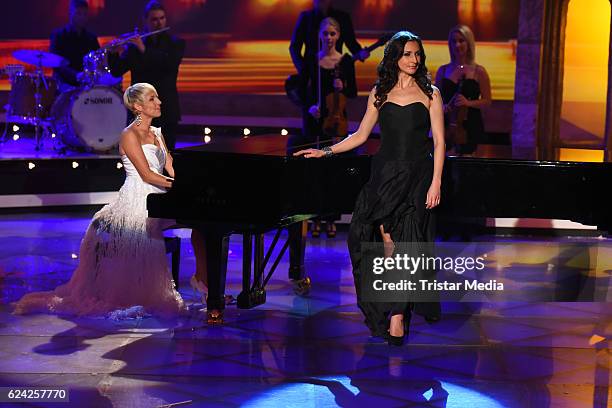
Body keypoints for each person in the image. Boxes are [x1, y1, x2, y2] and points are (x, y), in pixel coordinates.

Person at [295, 32, 445, 346]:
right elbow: (361, 135)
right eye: (407, 54)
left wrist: (436, 182)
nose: (414, 60)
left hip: (418, 175)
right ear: (394, 57)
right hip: (385, 177)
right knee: (383, 246)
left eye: (417, 54)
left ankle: (397, 316)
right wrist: (327, 152)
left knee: (408, 246)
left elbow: (440, 142)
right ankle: (392, 310)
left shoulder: (432, 93)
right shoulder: (380, 92)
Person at [14, 83, 184, 318]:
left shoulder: (157, 133)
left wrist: (186, 183)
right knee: (146, 225)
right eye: (153, 99)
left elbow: (170, 166)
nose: (159, 102)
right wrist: (178, 186)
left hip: (161, 192)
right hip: (138, 195)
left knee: (194, 219)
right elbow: (146, 175)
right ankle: (135, 290)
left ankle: (202, 284)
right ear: (137, 106)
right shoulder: (128, 135)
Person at [300, 17, 357, 238]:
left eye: (332, 34)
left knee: (333, 169)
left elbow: (352, 93)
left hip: (336, 120)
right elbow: (303, 91)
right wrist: (310, 106)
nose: (329, 38)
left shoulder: (346, 61)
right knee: (314, 170)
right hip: (316, 120)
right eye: (325, 34)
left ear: (339, 35)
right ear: (320, 36)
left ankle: (331, 218)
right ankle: (315, 217)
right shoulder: (312, 61)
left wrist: (344, 86)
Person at [109, 0, 185, 151]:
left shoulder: (176, 43)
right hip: (140, 113)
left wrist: (143, 48)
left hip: (165, 110)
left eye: (162, 18)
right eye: (154, 19)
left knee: (165, 159)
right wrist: (114, 54)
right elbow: (117, 70)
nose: (159, 23)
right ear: (145, 21)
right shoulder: (135, 46)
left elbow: (167, 64)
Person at [435, 25, 491, 156]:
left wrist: (468, 103)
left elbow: (487, 101)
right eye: (453, 41)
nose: (457, 45)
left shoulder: (479, 71)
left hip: (471, 124)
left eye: (461, 40)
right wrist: (442, 106)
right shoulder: (443, 70)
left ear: (469, 43)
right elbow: (435, 99)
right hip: (448, 124)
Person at [50, 0, 100, 91]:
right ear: (70, 13)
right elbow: (56, 64)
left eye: (85, 14)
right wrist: (76, 75)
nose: (82, 17)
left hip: (86, 84)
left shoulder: (91, 38)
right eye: (78, 13)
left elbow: (98, 61)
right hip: (63, 84)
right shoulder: (58, 35)